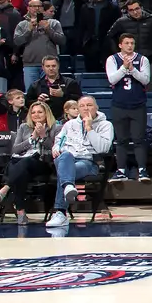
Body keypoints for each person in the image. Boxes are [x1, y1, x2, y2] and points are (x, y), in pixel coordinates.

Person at [47, 94, 113, 227]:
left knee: (64, 173)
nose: (85, 108)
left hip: (87, 162)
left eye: (89, 105)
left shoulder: (105, 125)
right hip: (65, 158)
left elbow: (103, 148)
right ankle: (68, 187)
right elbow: (59, 140)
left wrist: (89, 128)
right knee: (65, 157)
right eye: (82, 106)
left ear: (96, 107)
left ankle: (60, 212)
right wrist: (55, 147)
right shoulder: (69, 124)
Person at [0, 98, 56, 222]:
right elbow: (15, 150)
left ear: (46, 113)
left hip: (43, 163)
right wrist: (32, 138)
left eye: (40, 112)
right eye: (33, 112)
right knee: (20, 169)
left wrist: (42, 136)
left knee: (22, 163)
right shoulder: (24, 127)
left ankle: (6, 188)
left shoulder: (55, 127)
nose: (36, 115)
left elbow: (54, 149)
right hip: (22, 163)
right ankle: (21, 213)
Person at [105, 33, 151, 181]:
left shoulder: (143, 59)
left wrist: (132, 70)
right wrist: (124, 68)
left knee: (139, 139)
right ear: (120, 45)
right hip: (119, 105)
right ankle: (121, 170)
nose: (130, 46)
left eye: (132, 43)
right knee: (121, 140)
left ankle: (142, 170)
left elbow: (146, 80)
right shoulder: (112, 59)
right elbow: (112, 79)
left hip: (138, 105)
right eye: (126, 43)